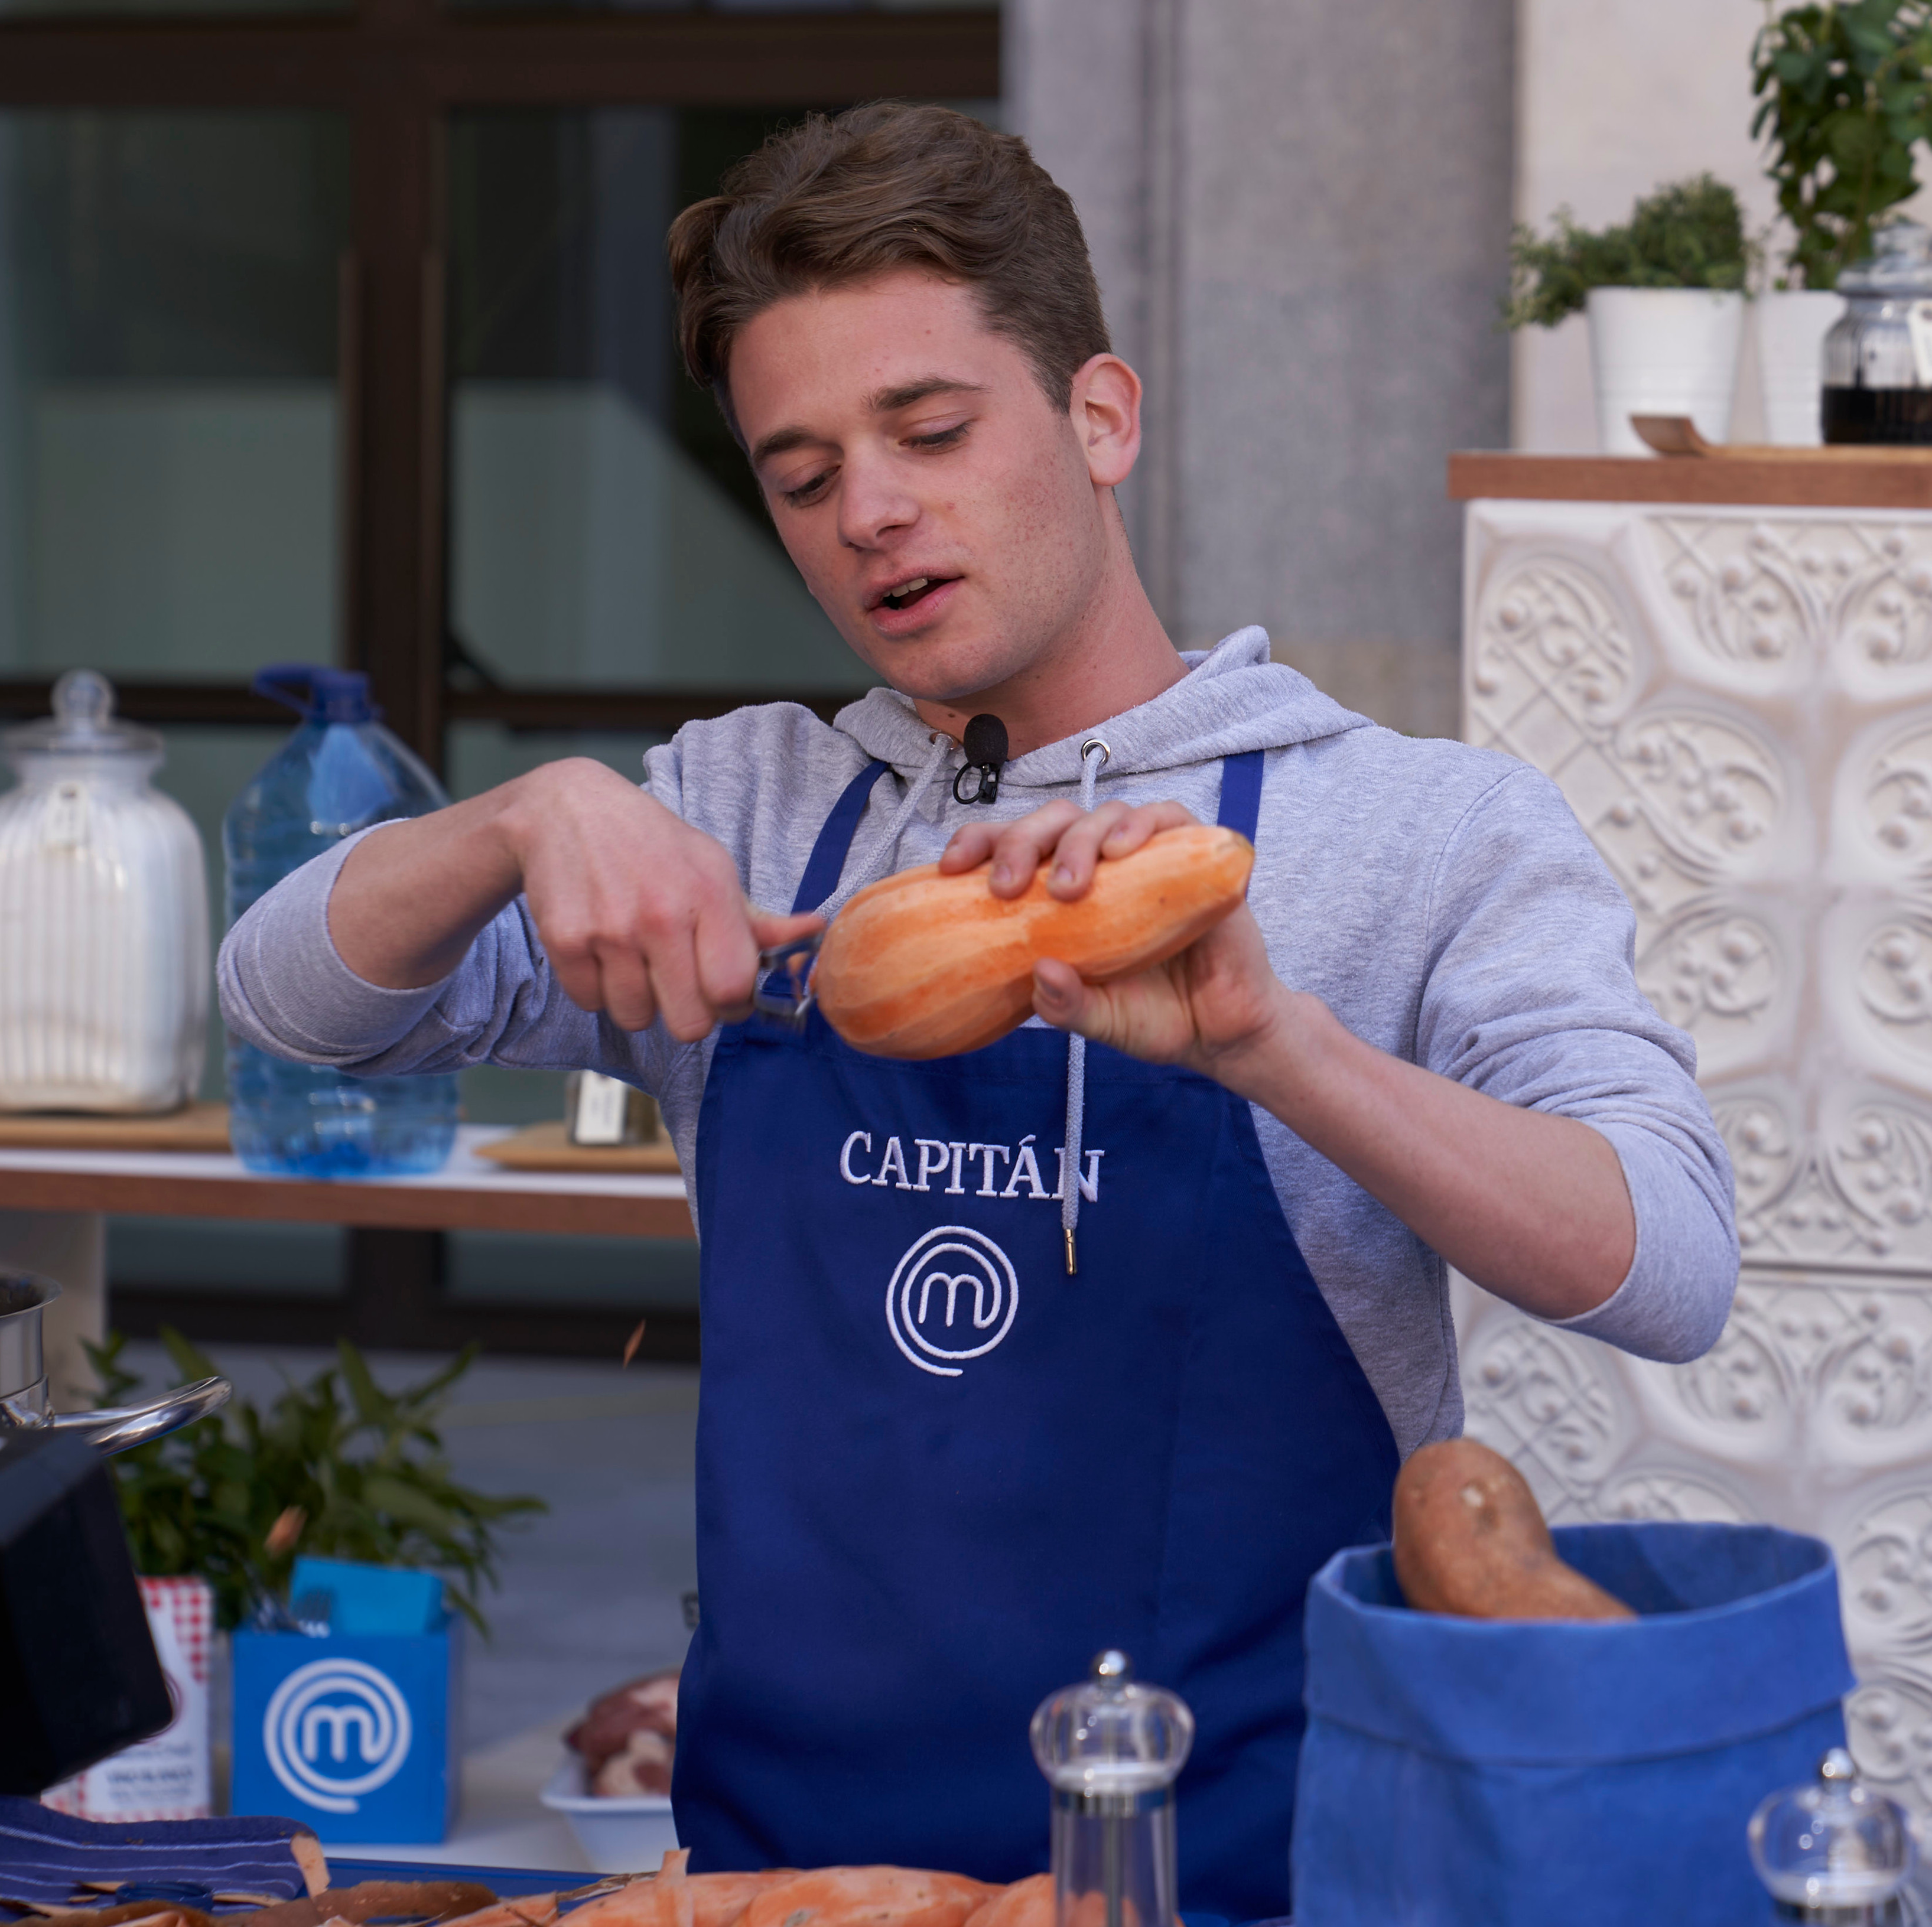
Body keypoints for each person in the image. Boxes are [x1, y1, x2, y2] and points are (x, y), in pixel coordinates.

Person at [217, 103, 1738, 1916]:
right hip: (785, 1888)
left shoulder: (1419, 833)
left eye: (929, 432)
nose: (870, 513)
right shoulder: (746, 815)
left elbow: (1667, 1265)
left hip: (1243, 1882)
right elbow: (292, 1003)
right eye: (800, 477)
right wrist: (519, 817)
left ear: (1102, 417)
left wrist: (1277, 1046)